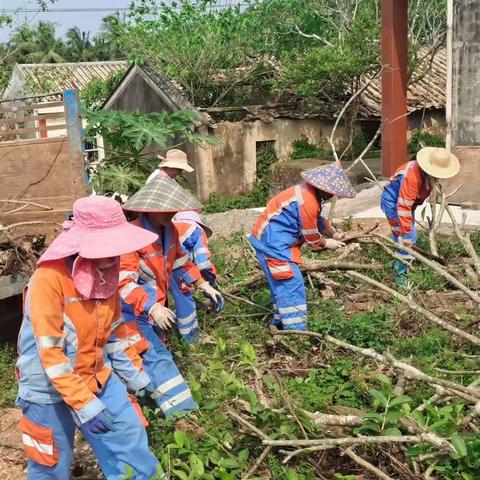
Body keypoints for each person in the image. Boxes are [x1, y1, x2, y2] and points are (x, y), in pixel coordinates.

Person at [16, 196, 161, 480]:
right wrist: (84, 405)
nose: (113, 256)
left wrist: (138, 379)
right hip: (46, 391)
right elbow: (52, 357)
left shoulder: (108, 274)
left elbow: (116, 335)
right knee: (50, 466)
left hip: (97, 377)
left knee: (132, 445)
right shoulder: (48, 281)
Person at [119, 174, 224, 417]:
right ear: (149, 210)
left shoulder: (171, 231)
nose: (170, 214)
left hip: (155, 309)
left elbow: (181, 262)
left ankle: (146, 402)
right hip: (131, 313)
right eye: (165, 211)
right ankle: (182, 415)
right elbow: (123, 283)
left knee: (146, 358)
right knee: (155, 357)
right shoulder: (130, 238)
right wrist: (151, 307)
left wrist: (201, 284)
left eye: (173, 211)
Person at [249, 163, 356, 331]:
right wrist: (327, 242)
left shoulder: (307, 192)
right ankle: (296, 332)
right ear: (325, 188)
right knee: (291, 284)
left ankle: (279, 324)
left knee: (280, 286)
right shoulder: (309, 201)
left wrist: (330, 230)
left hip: (269, 241)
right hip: (273, 245)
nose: (333, 196)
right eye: (333, 193)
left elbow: (313, 219)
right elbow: (311, 236)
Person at [381, 147, 460, 284]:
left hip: (406, 205)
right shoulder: (412, 176)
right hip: (393, 204)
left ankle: (403, 262)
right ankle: (401, 279)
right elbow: (403, 207)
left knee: (407, 237)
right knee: (405, 238)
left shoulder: (426, 176)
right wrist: (405, 233)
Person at [171, 211, 218, 343]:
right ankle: (191, 338)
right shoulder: (196, 230)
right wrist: (210, 283)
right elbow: (203, 263)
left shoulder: (170, 226)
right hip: (178, 267)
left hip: (157, 265)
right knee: (184, 298)